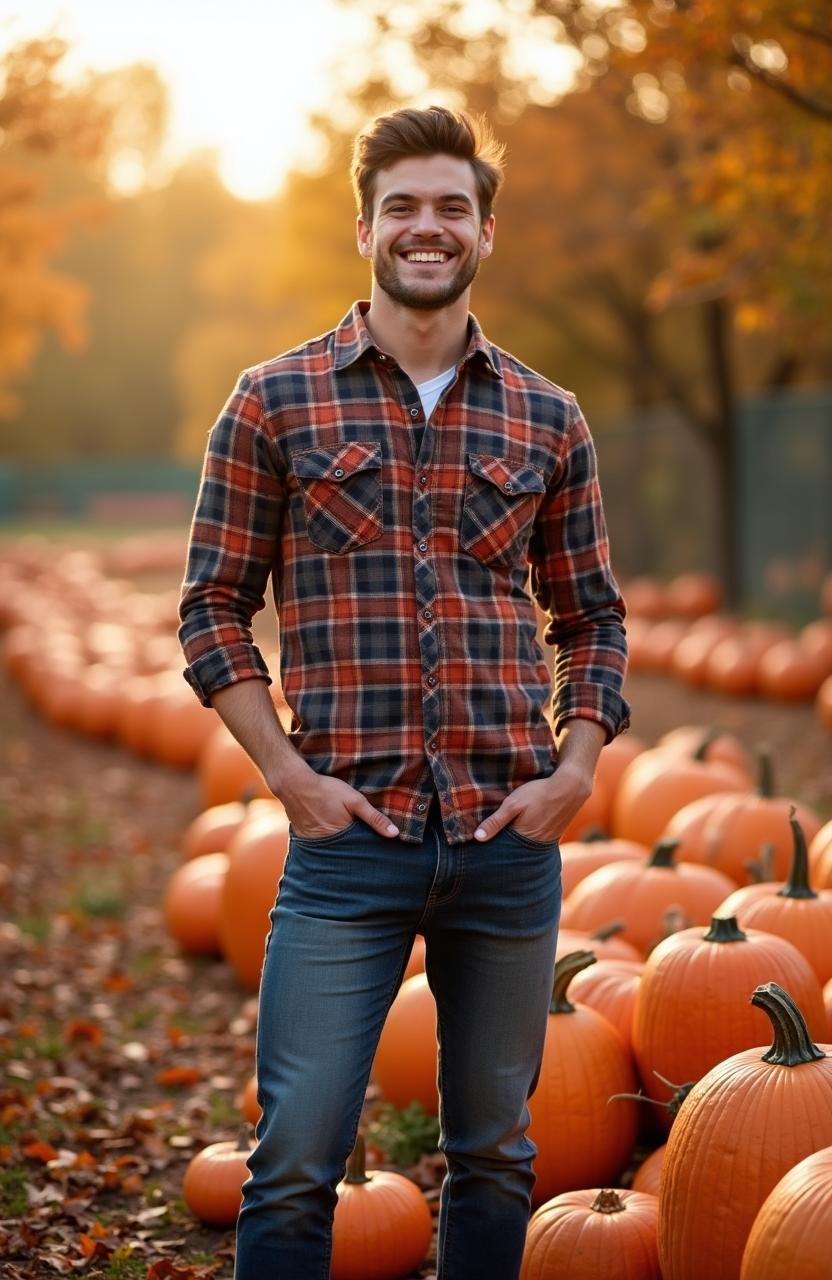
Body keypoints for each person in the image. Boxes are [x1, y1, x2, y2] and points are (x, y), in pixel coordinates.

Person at [178, 104, 630, 1280]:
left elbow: (590, 619)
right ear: (364, 226)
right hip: (346, 845)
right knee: (293, 1161)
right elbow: (210, 607)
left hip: (504, 838)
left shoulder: (547, 416)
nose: (425, 229)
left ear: (484, 229)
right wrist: (288, 777)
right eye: (402, 207)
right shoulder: (273, 401)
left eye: (450, 207)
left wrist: (574, 771)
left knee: (495, 1154)